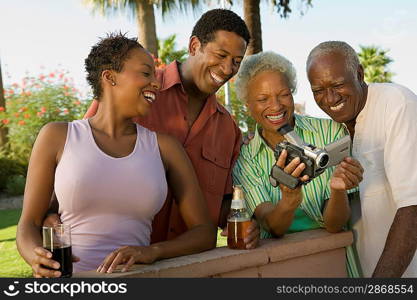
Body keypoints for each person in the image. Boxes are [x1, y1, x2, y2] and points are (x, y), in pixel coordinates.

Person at [53, 9, 259, 248]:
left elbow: (225, 205)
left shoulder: (228, 129)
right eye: (221, 55)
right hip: (117, 263)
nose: (227, 69)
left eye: (236, 62)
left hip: (190, 264)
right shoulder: (133, 90)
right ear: (194, 46)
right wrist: (49, 214)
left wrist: (250, 222)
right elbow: (78, 158)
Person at [16, 33, 217, 277]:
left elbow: (205, 232)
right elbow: (29, 225)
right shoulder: (57, 136)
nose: (155, 82)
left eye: (155, 75)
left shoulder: (165, 147)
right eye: (145, 73)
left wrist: (153, 251)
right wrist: (36, 257)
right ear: (109, 77)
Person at [232, 51, 363, 277]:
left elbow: (335, 224)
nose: (275, 106)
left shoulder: (329, 131)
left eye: (284, 94)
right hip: (280, 269)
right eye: (262, 99)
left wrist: (338, 189)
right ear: (247, 105)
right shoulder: (245, 160)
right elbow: (272, 226)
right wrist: (289, 199)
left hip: (333, 262)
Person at [306, 41, 417, 277]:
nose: (330, 98)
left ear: (359, 73)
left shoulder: (397, 104)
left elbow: (413, 206)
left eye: (337, 85)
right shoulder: (332, 131)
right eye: (318, 90)